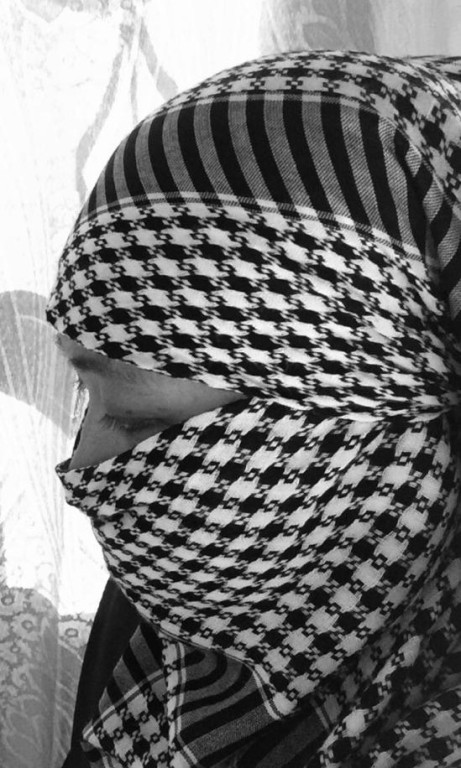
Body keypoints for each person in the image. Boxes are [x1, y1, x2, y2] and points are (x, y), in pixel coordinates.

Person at [46, 49, 461, 767]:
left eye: (139, 419)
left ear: (379, 431)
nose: (82, 472)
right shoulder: (161, 624)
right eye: (88, 395)